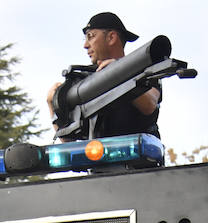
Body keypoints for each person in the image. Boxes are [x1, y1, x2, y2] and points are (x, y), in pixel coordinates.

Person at [46, 12, 161, 140]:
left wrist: (117, 72)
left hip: (137, 157)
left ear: (111, 37)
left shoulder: (142, 68)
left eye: (91, 36)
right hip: (97, 158)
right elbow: (67, 141)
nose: (85, 45)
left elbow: (150, 104)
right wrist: (54, 106)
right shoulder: (83, 83)